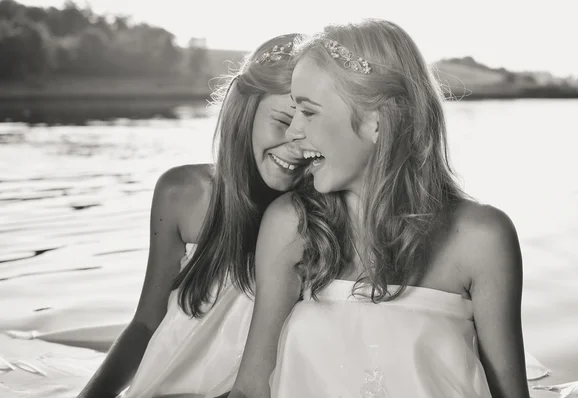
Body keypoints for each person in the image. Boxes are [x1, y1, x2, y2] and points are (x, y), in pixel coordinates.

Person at [228, 19, 530, 398]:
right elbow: (252, 388)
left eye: (308, 112)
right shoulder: (290, 225)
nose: (292, 133)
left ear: (377, 121)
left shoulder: (483, 238)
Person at [77, 33, 306, 398]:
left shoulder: (319, 218)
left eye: (309, 131)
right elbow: (145, 323)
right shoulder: (182, 194)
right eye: (282, 121)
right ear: (244, 111)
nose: (296, 147)